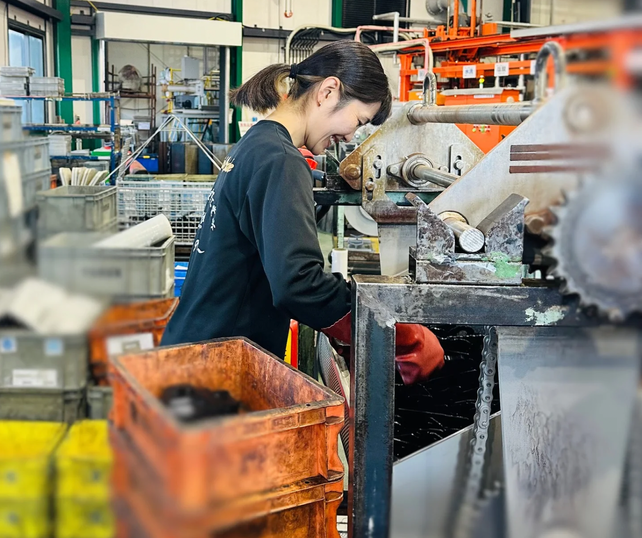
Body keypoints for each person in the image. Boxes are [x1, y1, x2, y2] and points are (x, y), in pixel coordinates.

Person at [162, 41, 443, 383]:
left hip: (196, 354)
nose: (350, 136)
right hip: (217, 372)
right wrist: (400, 332)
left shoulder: (259, 143)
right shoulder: (281, 160)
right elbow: (298, 284)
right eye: (357, 120)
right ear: (328, 92)